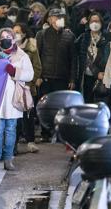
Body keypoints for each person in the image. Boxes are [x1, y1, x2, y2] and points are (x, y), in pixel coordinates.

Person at [0, 28, 34, 171]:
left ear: (14, 39)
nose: (5, 39)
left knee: (11, 129)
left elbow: (30, 75)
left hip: (14, 97)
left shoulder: (22, 56)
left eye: (8, 36)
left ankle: (8, 159)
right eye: (3, 37)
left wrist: (14, 71)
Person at [35, 8, 76, 140]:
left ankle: (59, 134)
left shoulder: (69, 36)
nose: (58, 19)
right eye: (55, 16)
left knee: (60, 107)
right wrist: (39, 76)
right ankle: (45, 133)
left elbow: (73, 60)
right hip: (46, 77)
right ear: (49, 19)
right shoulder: (42, 34)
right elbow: (38, 56)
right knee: (45, 107)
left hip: (62, 77)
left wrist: (72, 79)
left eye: (61, 16)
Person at [13, 23, 42, 153]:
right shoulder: (10, 47)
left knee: (28, 115)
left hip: (26, 88)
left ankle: (30, 141)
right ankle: (14, 144)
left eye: (18, 32)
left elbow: (37, 67)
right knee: (15, 117)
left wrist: (30, 83)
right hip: (13, 87)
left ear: (24, 33)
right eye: (14, 32)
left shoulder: (31, 48)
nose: (15, 34)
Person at [75, 13, 107, 104]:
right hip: (87, 75)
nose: (95, 23)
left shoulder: (107, 37)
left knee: (100, 102)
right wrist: (80, 27)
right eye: (92, 21)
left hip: (101, 76)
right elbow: (74, 49)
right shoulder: (83, 37)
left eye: (97, 21)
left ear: (101, 23)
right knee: (87, 101)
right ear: (88, 23)